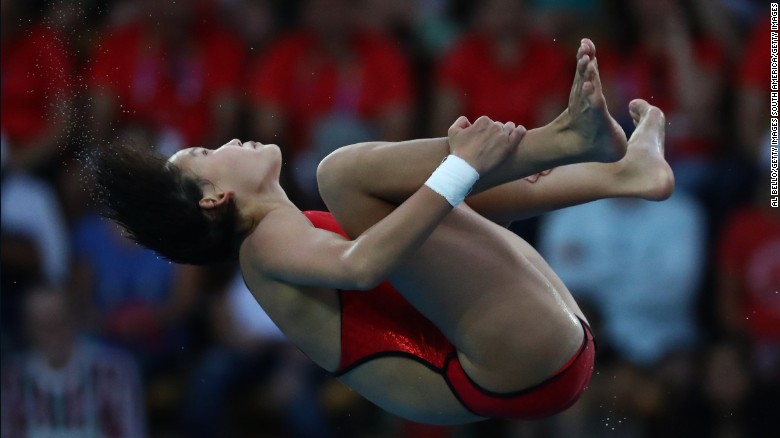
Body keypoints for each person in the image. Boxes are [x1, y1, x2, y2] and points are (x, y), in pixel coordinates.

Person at [96, 39, 674, 424]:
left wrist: (467, 174)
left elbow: (476, 215)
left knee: (393, 191)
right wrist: (462, 166)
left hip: (530, 354)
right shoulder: (263, 248)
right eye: (207, 151)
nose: (228, 140)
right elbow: (362, 267)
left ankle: (616, 172)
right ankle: (572, 143)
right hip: (502, 367)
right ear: (216, 198)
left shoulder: (298, 229)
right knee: (342, 172)